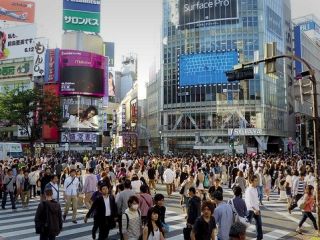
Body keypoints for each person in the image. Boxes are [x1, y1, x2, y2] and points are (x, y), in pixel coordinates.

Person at [245, 175, 263, 240]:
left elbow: (256, 200)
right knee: (246, 225)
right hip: (250, 210)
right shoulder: (248, 190)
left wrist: (257, 209)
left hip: (257, 209)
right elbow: (249, 202)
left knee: (259, 225)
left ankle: (259, 238)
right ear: (251, 181)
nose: (257, 182)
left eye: (257, 180)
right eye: (255, 181)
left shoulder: (256, 189)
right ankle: (239, 236)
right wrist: (254, 209)